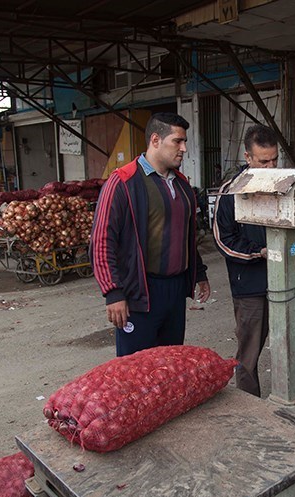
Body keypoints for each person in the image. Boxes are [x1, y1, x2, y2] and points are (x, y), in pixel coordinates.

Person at [90, 112, 210, 357]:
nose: (184, 148)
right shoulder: (123, 182)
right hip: (140, 291)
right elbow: (102, 242)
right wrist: (113, 292)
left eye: (184, 141)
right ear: (155, 140)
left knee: (169, 364)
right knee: (135, 371)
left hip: (175, 291)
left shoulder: (182, 184)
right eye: (177, 141)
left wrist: (199, 273)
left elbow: (186, 234)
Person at [212, 124, 279, 397]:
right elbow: (223, 240)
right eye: (264, 161)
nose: (271, 167)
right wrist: (258, 252)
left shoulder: (283, 184)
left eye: (275, 159)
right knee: (249, 353)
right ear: (248, 157)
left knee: (290, 344)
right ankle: (250, 405)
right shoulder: (231, 193)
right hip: (250, 286)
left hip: (285, 282)